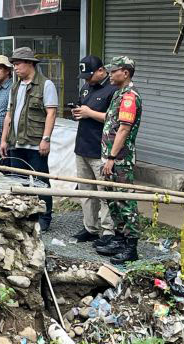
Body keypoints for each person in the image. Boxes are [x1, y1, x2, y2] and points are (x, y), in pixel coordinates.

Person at [0, 47, 58, 231]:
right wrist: (4, 139)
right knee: (18, 181)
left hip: (35, 141)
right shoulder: (15, 86)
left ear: (30, 63)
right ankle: (25, 215)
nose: (15, 68)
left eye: (18, 64)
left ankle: (45, 216)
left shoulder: (45, 84)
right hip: (16, 141)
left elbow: (51, 113)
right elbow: (9, 114)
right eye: (14, 64)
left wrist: (46, 139)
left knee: (41, 181)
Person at [93, 56, 143, 264]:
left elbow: (123, 129)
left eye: (114, 71)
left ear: (126, 72)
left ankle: (131, 246)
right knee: (113, 200)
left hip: (120, 159)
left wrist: (112, 157)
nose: (110, 74)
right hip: (111, 157)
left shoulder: (129, 98)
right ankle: (120, 239)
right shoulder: (118, 95)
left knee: (124, 200)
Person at [71, 55, 116, 245]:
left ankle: (108, 232)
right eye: (84, 77)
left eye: (90, 76)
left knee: (104, 193)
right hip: (82, 147)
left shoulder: (113, 90)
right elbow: (83, 110)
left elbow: (116, 119)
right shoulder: (86, 87)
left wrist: (90, 113)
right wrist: (78, 113)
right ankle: (90, 227)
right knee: (86, 192)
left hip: (101, 150)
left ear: (101, 70)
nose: (87, 80)